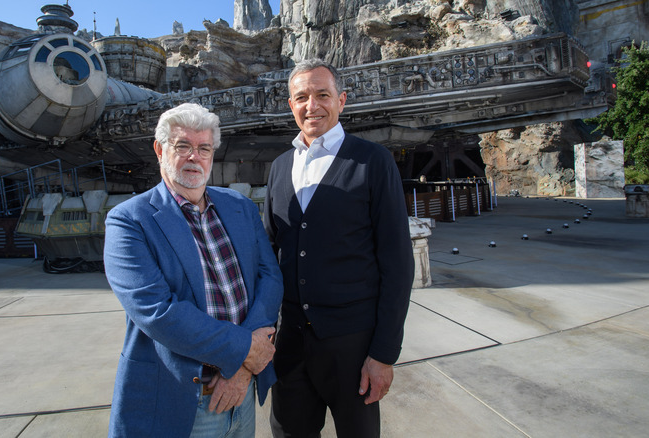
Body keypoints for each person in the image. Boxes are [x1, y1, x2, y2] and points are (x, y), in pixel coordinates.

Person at [103, 103, 284, 437]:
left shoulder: (240, 206)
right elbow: (159, 312)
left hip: (241, 392)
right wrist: (246, 350)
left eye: (203, 148)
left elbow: (269, 277)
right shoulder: (129, 221)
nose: (194, 157)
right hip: (181, 400)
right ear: (160, 150)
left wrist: (243, 370)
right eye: (182, 146)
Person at [263, 59, 415, 437]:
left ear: (342, 100)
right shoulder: (279, 167)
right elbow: (269, 254)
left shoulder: (373, 161)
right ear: (290, 105)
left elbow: (397, 264)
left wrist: (383, 355)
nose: (311, 106)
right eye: (301, 97)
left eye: (322, 95)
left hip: (353, 346)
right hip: (291, 344)